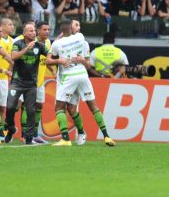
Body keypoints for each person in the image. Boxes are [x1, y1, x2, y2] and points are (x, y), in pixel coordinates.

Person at [46, 19, 116, 147]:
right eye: (76, 25)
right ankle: (102, 136)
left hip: (68, 77)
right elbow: (88, 67)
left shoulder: (57, 43)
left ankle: (66, 139)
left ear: (61, 29)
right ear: (71, 28)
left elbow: (48, 60)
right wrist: (82, 60)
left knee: (59, 107)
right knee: (79, 108)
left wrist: (63, 60)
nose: (78, 27)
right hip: (83, 76)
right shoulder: (81, 39)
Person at [5, 22, 48, 145]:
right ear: (24, 33)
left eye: (34, 31)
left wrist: (61, 58)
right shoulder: (17, 44)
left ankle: (28, 138)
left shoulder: (39, 46)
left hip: (31, 84)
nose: (34, 33)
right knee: (10, 107)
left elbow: (50, 56)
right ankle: (11, 129)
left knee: (30, 111)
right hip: (17, 82)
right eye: (31, 31)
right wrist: (26, 49)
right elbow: (13, 57)